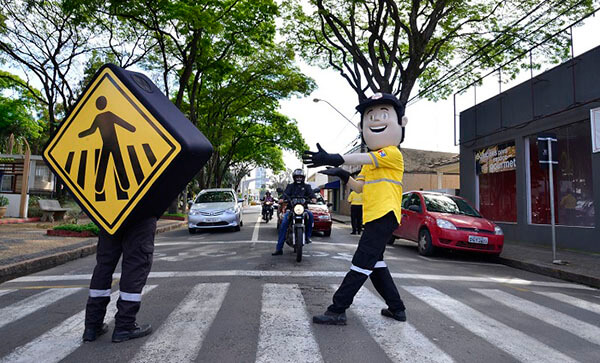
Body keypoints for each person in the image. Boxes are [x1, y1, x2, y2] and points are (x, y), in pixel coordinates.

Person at [303, 92, 408, 325]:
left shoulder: (391, 153)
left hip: (385, 215)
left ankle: (337, 309)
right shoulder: (373, 161)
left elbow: (366, 159)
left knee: (361, 263)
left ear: (401, 123)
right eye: (370, 116)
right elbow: (359, 187)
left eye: (383, 114)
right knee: (376, 264)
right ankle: (397, 308)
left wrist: (336, 157)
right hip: (375, 216)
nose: (376, 120)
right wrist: (342, 175)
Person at [82, 216, 156, 343]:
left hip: (109, 214)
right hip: (141, 214)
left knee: (103, 266)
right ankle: (125, 326)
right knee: (135, 266)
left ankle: (92, 326)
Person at [272, 169, 316, 255]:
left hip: (303, 209)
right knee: (284, 223)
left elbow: (312, 195)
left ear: (303, 177)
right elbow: (285, 194)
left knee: (310, 215)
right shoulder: (290, 186)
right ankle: (279, 248)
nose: (299, 178)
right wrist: (281, 199)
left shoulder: (307, 187)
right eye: (297, 177)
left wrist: (313, 199)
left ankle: (307, 237)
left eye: (300, 177)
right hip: (291, 209)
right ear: (294, 177)